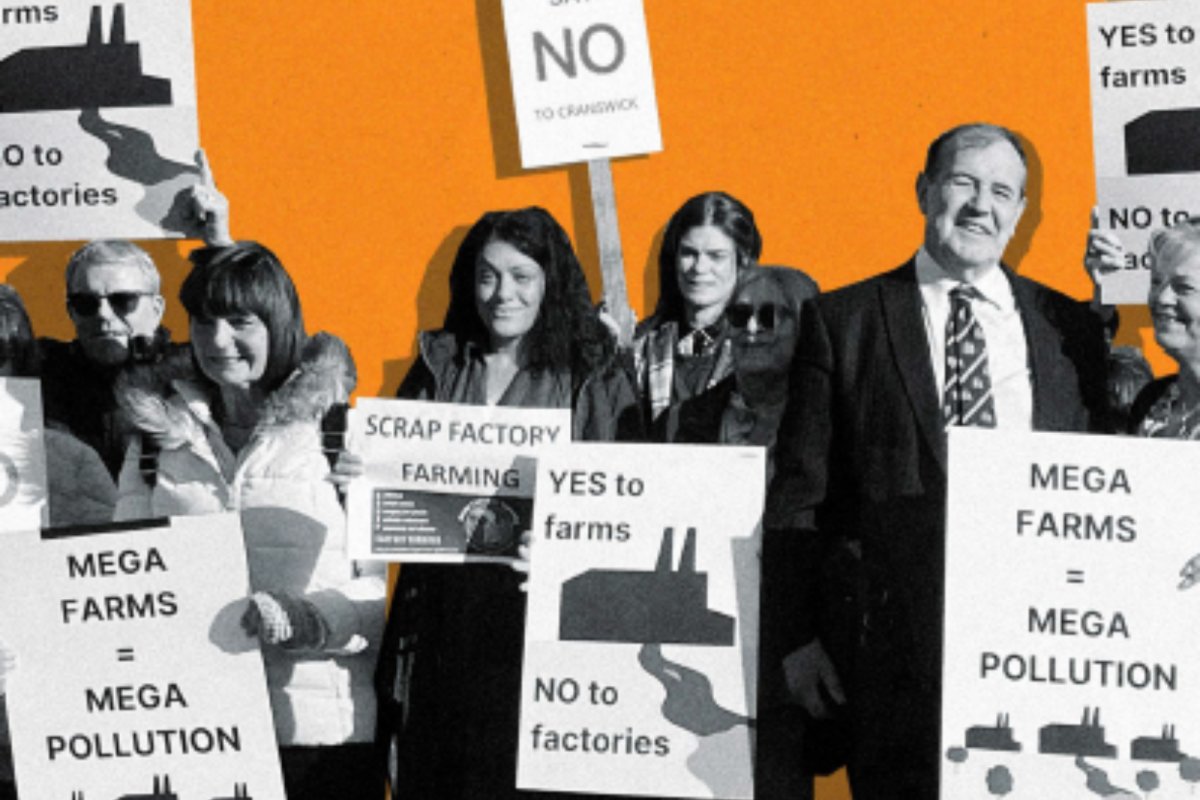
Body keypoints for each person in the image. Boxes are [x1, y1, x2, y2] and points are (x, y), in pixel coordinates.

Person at [765, 123, 1108, 799]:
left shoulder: (1068, 328)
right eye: (964, 183)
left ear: (1021, 212)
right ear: (924, 191)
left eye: (1002, 192)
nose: (981, 205)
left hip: (1034, 649)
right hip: (893, 665)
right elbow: (801, 498)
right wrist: (796, 640)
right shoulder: (844, 320)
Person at [376, 206, 636, 799]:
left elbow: (625, 502)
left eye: (521, 276)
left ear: (551, 281)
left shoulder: (591, 373)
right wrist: (362, 474)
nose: (502, 294)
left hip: (540, 632)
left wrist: (565, 549)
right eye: (487, 276)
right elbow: (394, 475)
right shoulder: (439, 364)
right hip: (443, 626)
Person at [112, 242, 385, 800]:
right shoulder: (154, 440)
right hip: (198, 736)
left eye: (241, 322)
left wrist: (307, 619)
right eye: (203, 321)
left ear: (278, 324)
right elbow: (121, 582)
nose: (217, 341)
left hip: (317, 739)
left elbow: (381, 599)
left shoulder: (341, 434)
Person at [39, 152, 231, 477]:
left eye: (123, 300)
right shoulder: (44, 370)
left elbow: (252, 325)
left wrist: (218, 242)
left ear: (156, 309)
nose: (103, 314)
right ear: (70, 311)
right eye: (86, 303)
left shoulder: (197, 368)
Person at [632, 191, 762, 432]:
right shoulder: (642, 345)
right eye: (689, 253)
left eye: (716, 256)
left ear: (742, 263)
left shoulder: (764, 347)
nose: (700, 268)